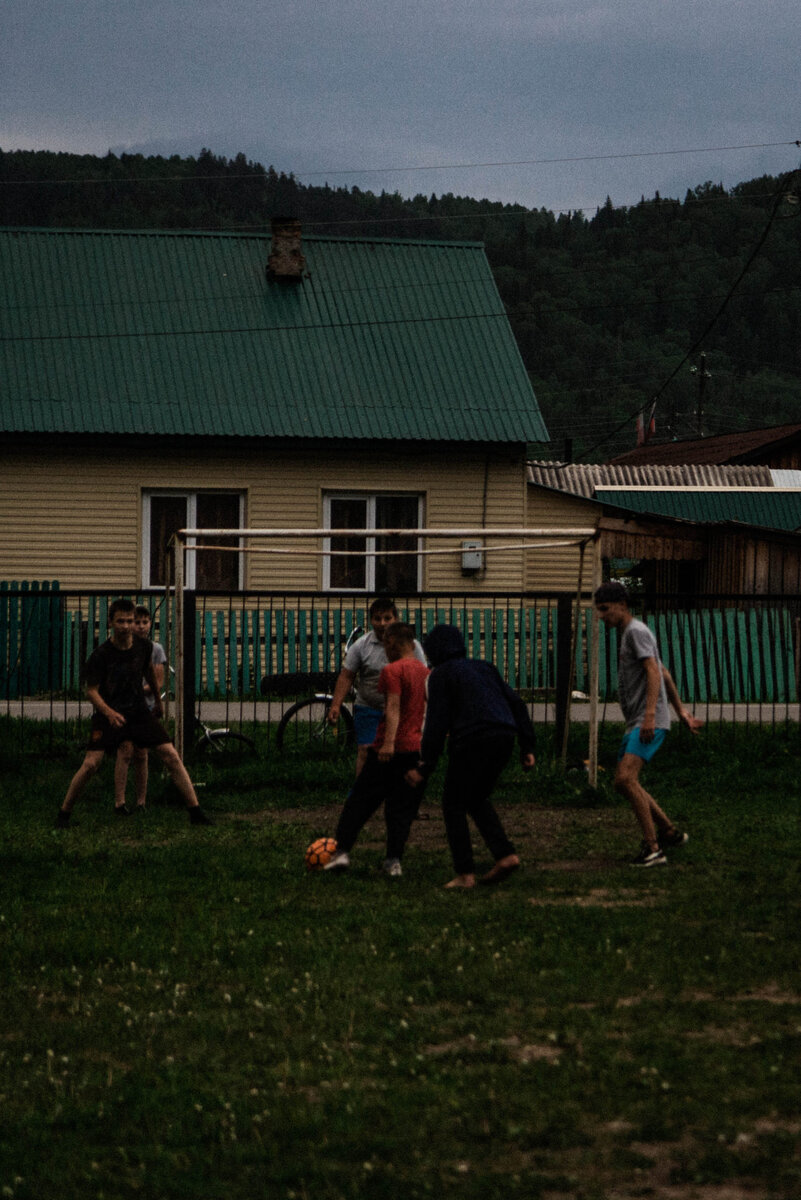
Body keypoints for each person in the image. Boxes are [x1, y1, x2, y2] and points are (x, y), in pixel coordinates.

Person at [55, 597, 211, 828]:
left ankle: (196, 813)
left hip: (138, 712)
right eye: (121, 621)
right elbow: (91, 691)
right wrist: (109, 713)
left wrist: (158, 702)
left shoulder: (144, 647)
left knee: (171, 756)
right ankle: (63, 815)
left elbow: (149, 672)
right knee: (91, 764)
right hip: (109, 714)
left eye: (130, 621)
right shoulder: (101, 655)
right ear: (110, 623)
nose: (127, 626)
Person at [405, 624, 535, 889]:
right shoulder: (485, 667)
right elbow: (517, 704)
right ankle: (505, 855)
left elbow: (436, 724)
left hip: (471, 740)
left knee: (453, 804)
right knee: (475, 798)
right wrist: (527, 746)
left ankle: (465, 873)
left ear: (432, 653)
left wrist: (425, 765)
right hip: (504, 736)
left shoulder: (440, 675)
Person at [593, 581, 703, 866]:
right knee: (624, 783)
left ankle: (652, 848)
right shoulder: (631, 632)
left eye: (605, 609)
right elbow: (664, 672)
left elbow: (653, 672)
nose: (601, 616)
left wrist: (651, 716)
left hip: (646, 720)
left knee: (625, 779)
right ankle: (668, 831)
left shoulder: (635, 632)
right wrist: (681, 712)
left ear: (621, 605)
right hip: (639, 720)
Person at [324, 622, 430, 876]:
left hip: (389, 749)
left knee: (359, 802)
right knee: (400, 808)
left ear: (393, 642)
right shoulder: (426, 673)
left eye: (386, 644)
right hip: (415, 748)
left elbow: (392, 707)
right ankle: (393, 861)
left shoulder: (392, 670)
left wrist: (388, 743)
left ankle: (342, 853)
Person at [327, 598, 426, 776]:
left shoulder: (412, 646)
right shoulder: (361, 646)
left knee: (400, 753)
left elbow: (422, 676)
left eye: (387, 618)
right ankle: (360, 794)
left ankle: (394, 792)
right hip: (369, 708)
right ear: (371, 620)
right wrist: (335, 705)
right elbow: (346, 675)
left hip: (402, 711)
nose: (382, 624)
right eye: (377, 618)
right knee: (365, 751)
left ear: (395, 619)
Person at [113, 604, 167, 812]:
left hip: (146, 706)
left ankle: (141, 801)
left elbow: (157, 683)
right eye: (137, 622)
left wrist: (136, 689)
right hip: (125, 707)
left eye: (145, 622)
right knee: (125, 750)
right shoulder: (122, 648)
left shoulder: (155, 650)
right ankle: (120, 801)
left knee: (142, 753)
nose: (141, 626)